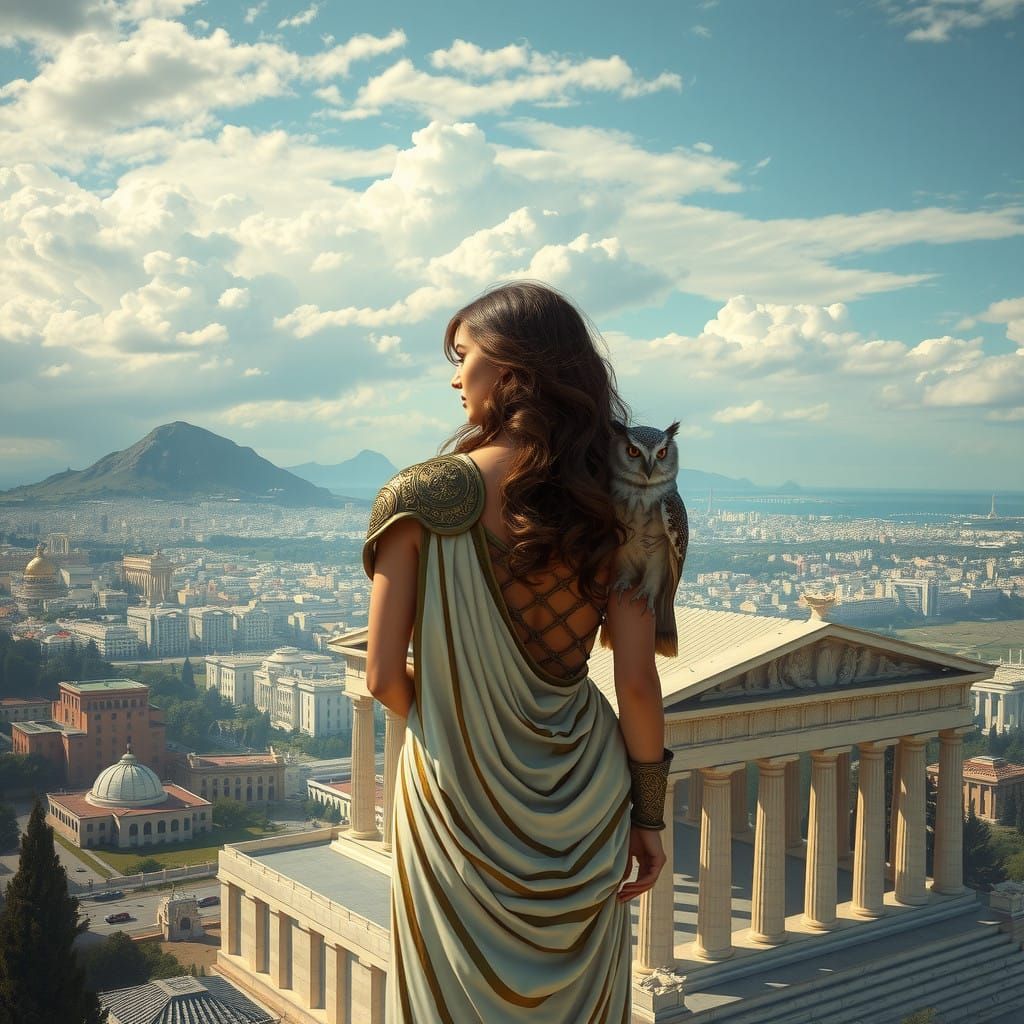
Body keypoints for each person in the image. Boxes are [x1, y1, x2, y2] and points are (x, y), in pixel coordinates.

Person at [364, 281, 672, 1022]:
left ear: (508, 368)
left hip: (453, 805)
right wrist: (650, 816)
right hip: (587, 798)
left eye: (462, 356)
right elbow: (636, 683)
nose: (454, 378)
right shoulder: (629, 503)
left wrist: (458, 718)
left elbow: (381, 676)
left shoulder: (420, 497)